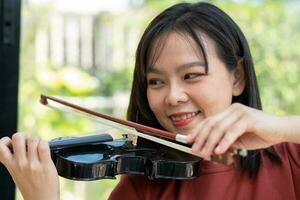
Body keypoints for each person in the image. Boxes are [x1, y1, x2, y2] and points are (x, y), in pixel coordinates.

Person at [0, 2, 299, 200]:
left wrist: (283, 128)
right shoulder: (143, 186)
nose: (172, 96)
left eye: (191, 75)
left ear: (237, 78)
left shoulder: (290, 160)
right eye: (155, 81)